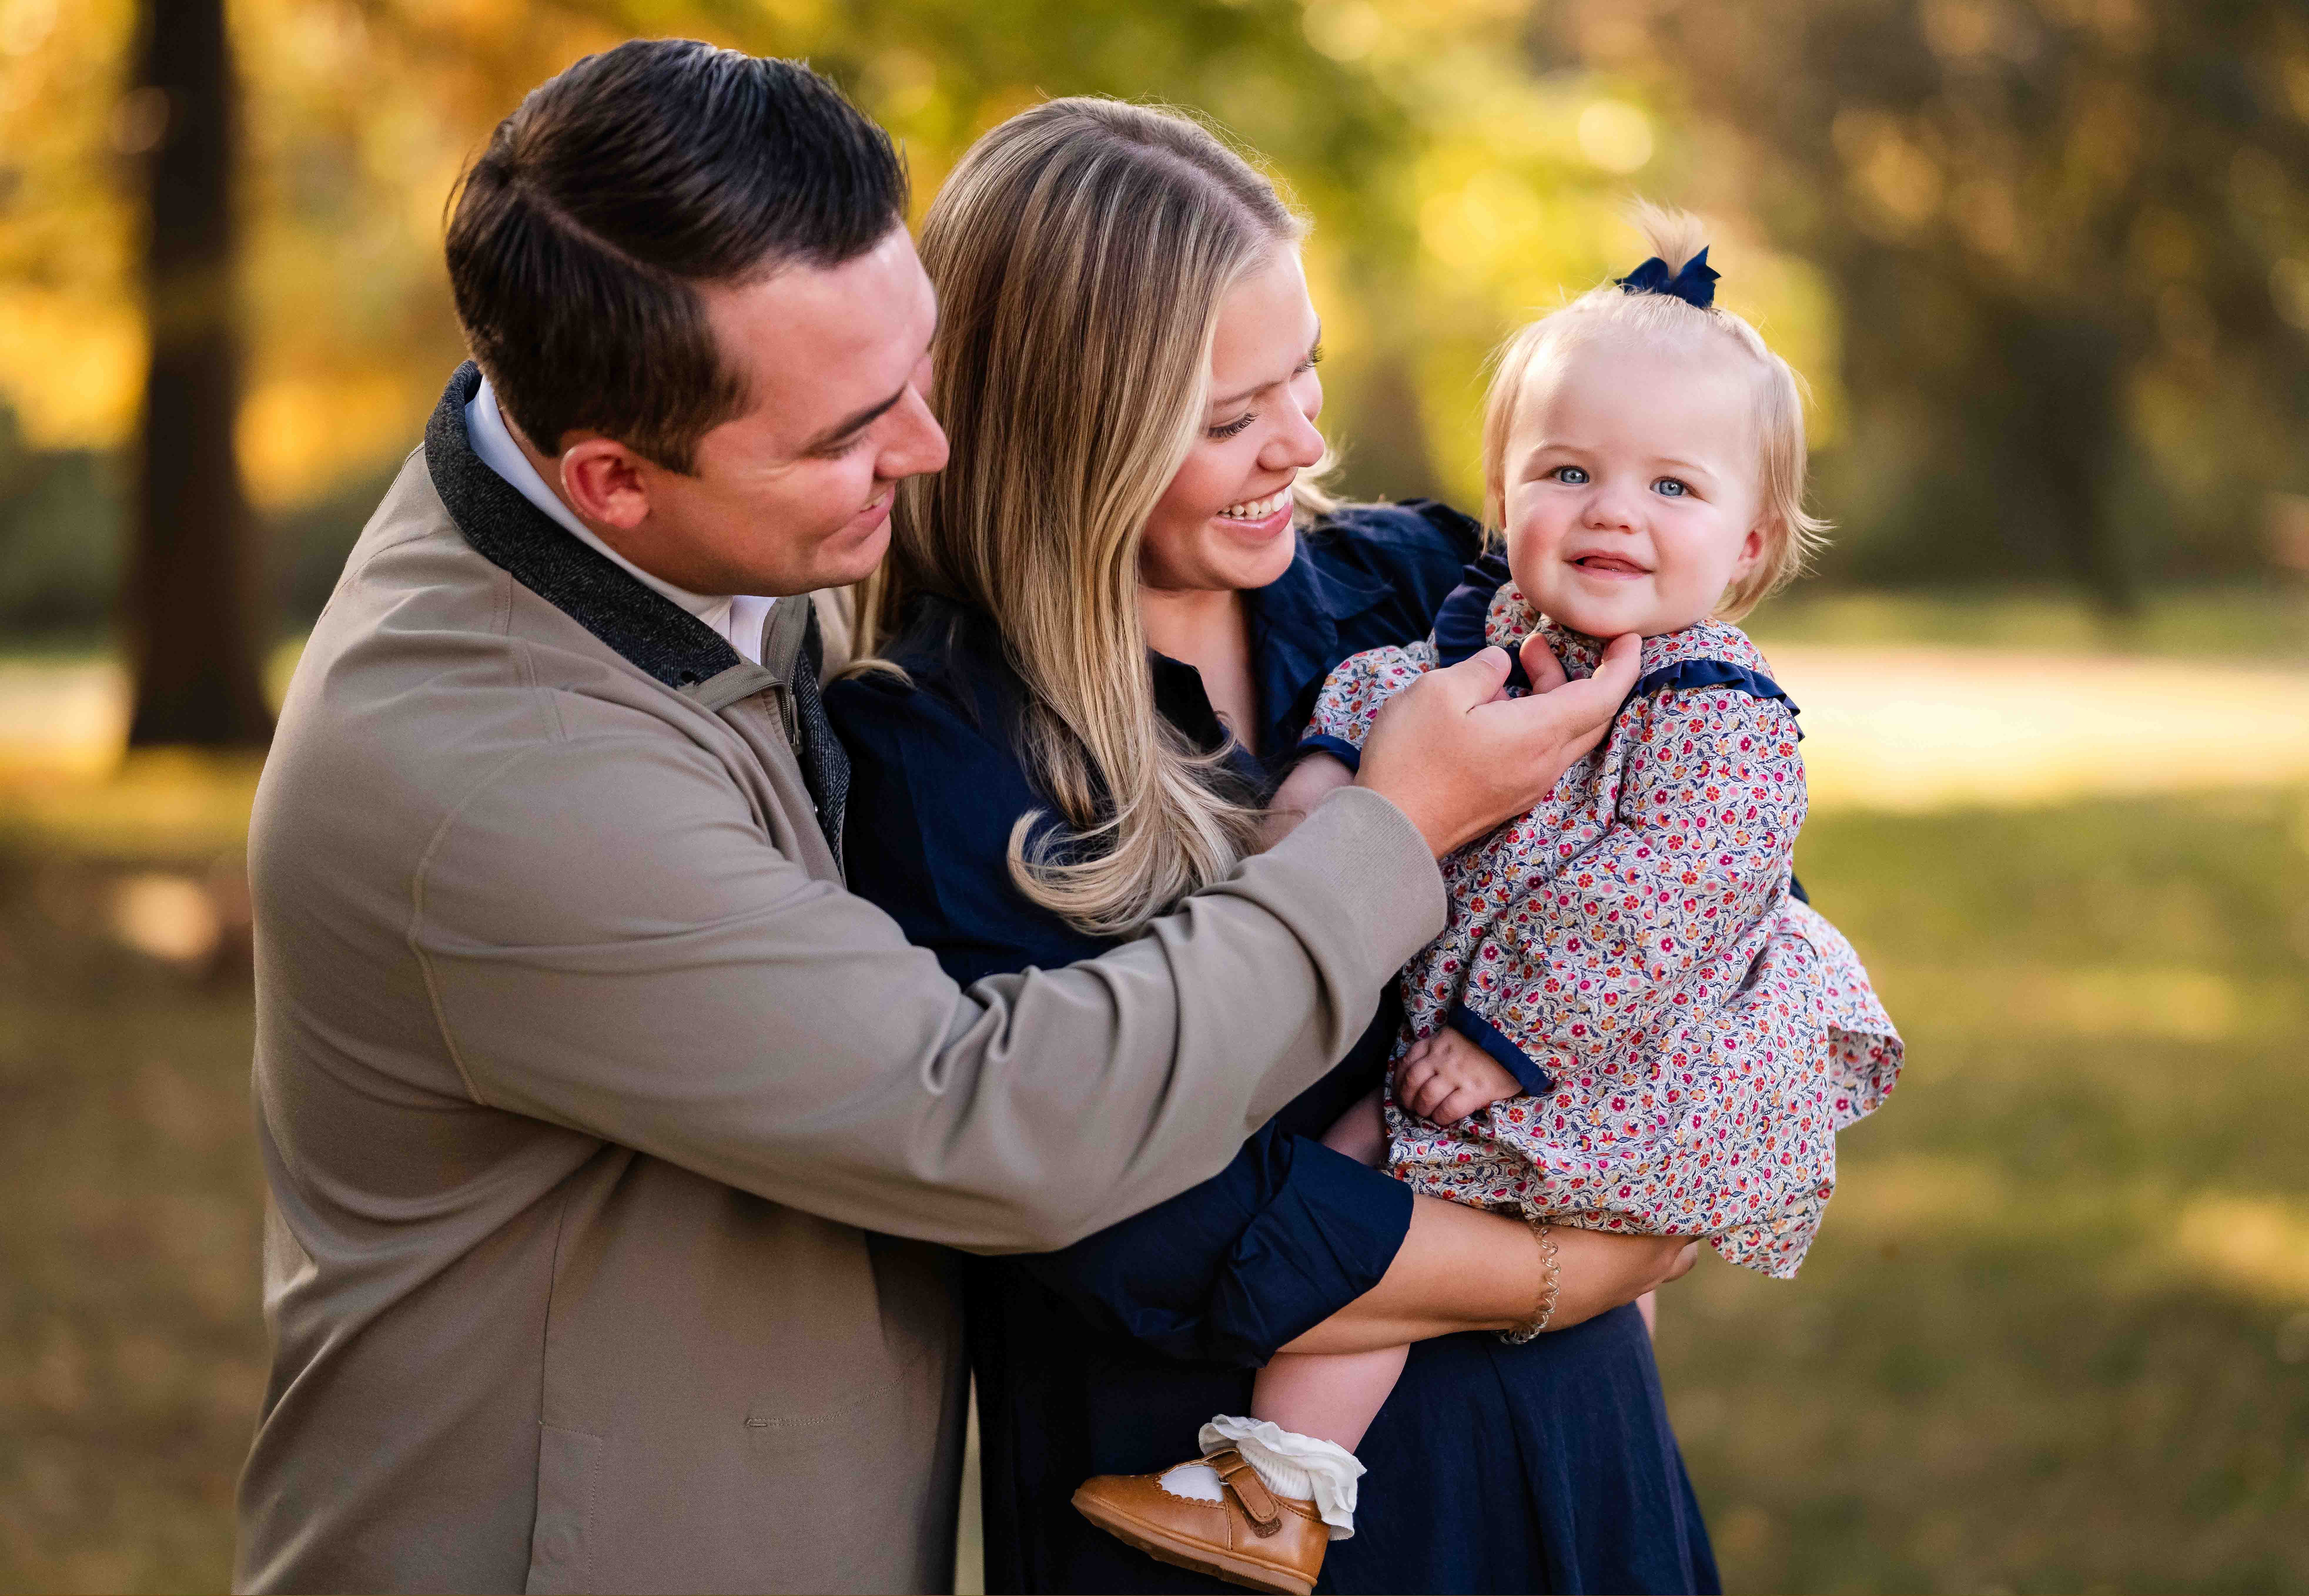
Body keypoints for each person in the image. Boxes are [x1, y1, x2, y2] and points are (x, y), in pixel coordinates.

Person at [231, 44, 1649, 1595]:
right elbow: (993, 1122)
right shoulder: (509, 779)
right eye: (851, 429)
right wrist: (1392, 836)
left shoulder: (676, 504)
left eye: (924, 363)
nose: (935, 442)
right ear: (612, 479)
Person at [828, 101, 1716, 1596]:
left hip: (1575, 1461)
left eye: (1300, 372)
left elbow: (1712, 892)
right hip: (1204, 1511)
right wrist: (1561, 1264)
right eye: (1232, 417)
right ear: (1073, 433)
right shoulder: (938, 747)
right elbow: (1125, 1227)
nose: (1301, 443)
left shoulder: (1425, 589)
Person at [1072, 206, 1906, 1595]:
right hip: (1536, 1057)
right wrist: (1335, 772)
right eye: (1567, 470)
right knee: (1362, 1170)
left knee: (1358, 1198)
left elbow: (1650, 906)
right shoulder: (1495, 631)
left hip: (1594, 1060)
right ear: (1503, 485)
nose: (1610, 512)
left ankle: (1277, 1488)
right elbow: (1385, 685)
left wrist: (1507, 1038)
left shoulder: (1712, 710)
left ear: (1751, 546)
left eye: (1671, 490)